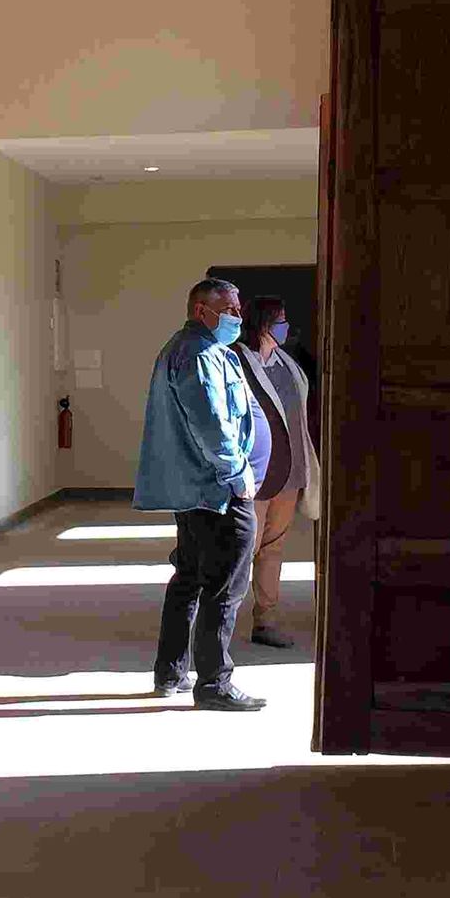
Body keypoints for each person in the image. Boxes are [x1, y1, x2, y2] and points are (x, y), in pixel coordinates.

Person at [132, 278, 264, 711]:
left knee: (188, 577)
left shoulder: (197, 349)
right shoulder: (198, 354)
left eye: (239, 308)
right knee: (225, 584)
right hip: (217, 490)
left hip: (197, 491)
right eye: (229, 309)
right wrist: (236, 472)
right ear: (201, 310)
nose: (238, 316)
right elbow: (210, 423)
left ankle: (170, 672)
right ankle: (214, 684)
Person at [231, 296, 322, 649]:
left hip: (289, 471)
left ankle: (265, 620)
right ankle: (219, 619)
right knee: (243, 548)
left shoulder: (287, 362)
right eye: (279, 320)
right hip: (256, 474)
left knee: (273, 547)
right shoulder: (237, 360)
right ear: (262, 324)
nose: (285, 326)